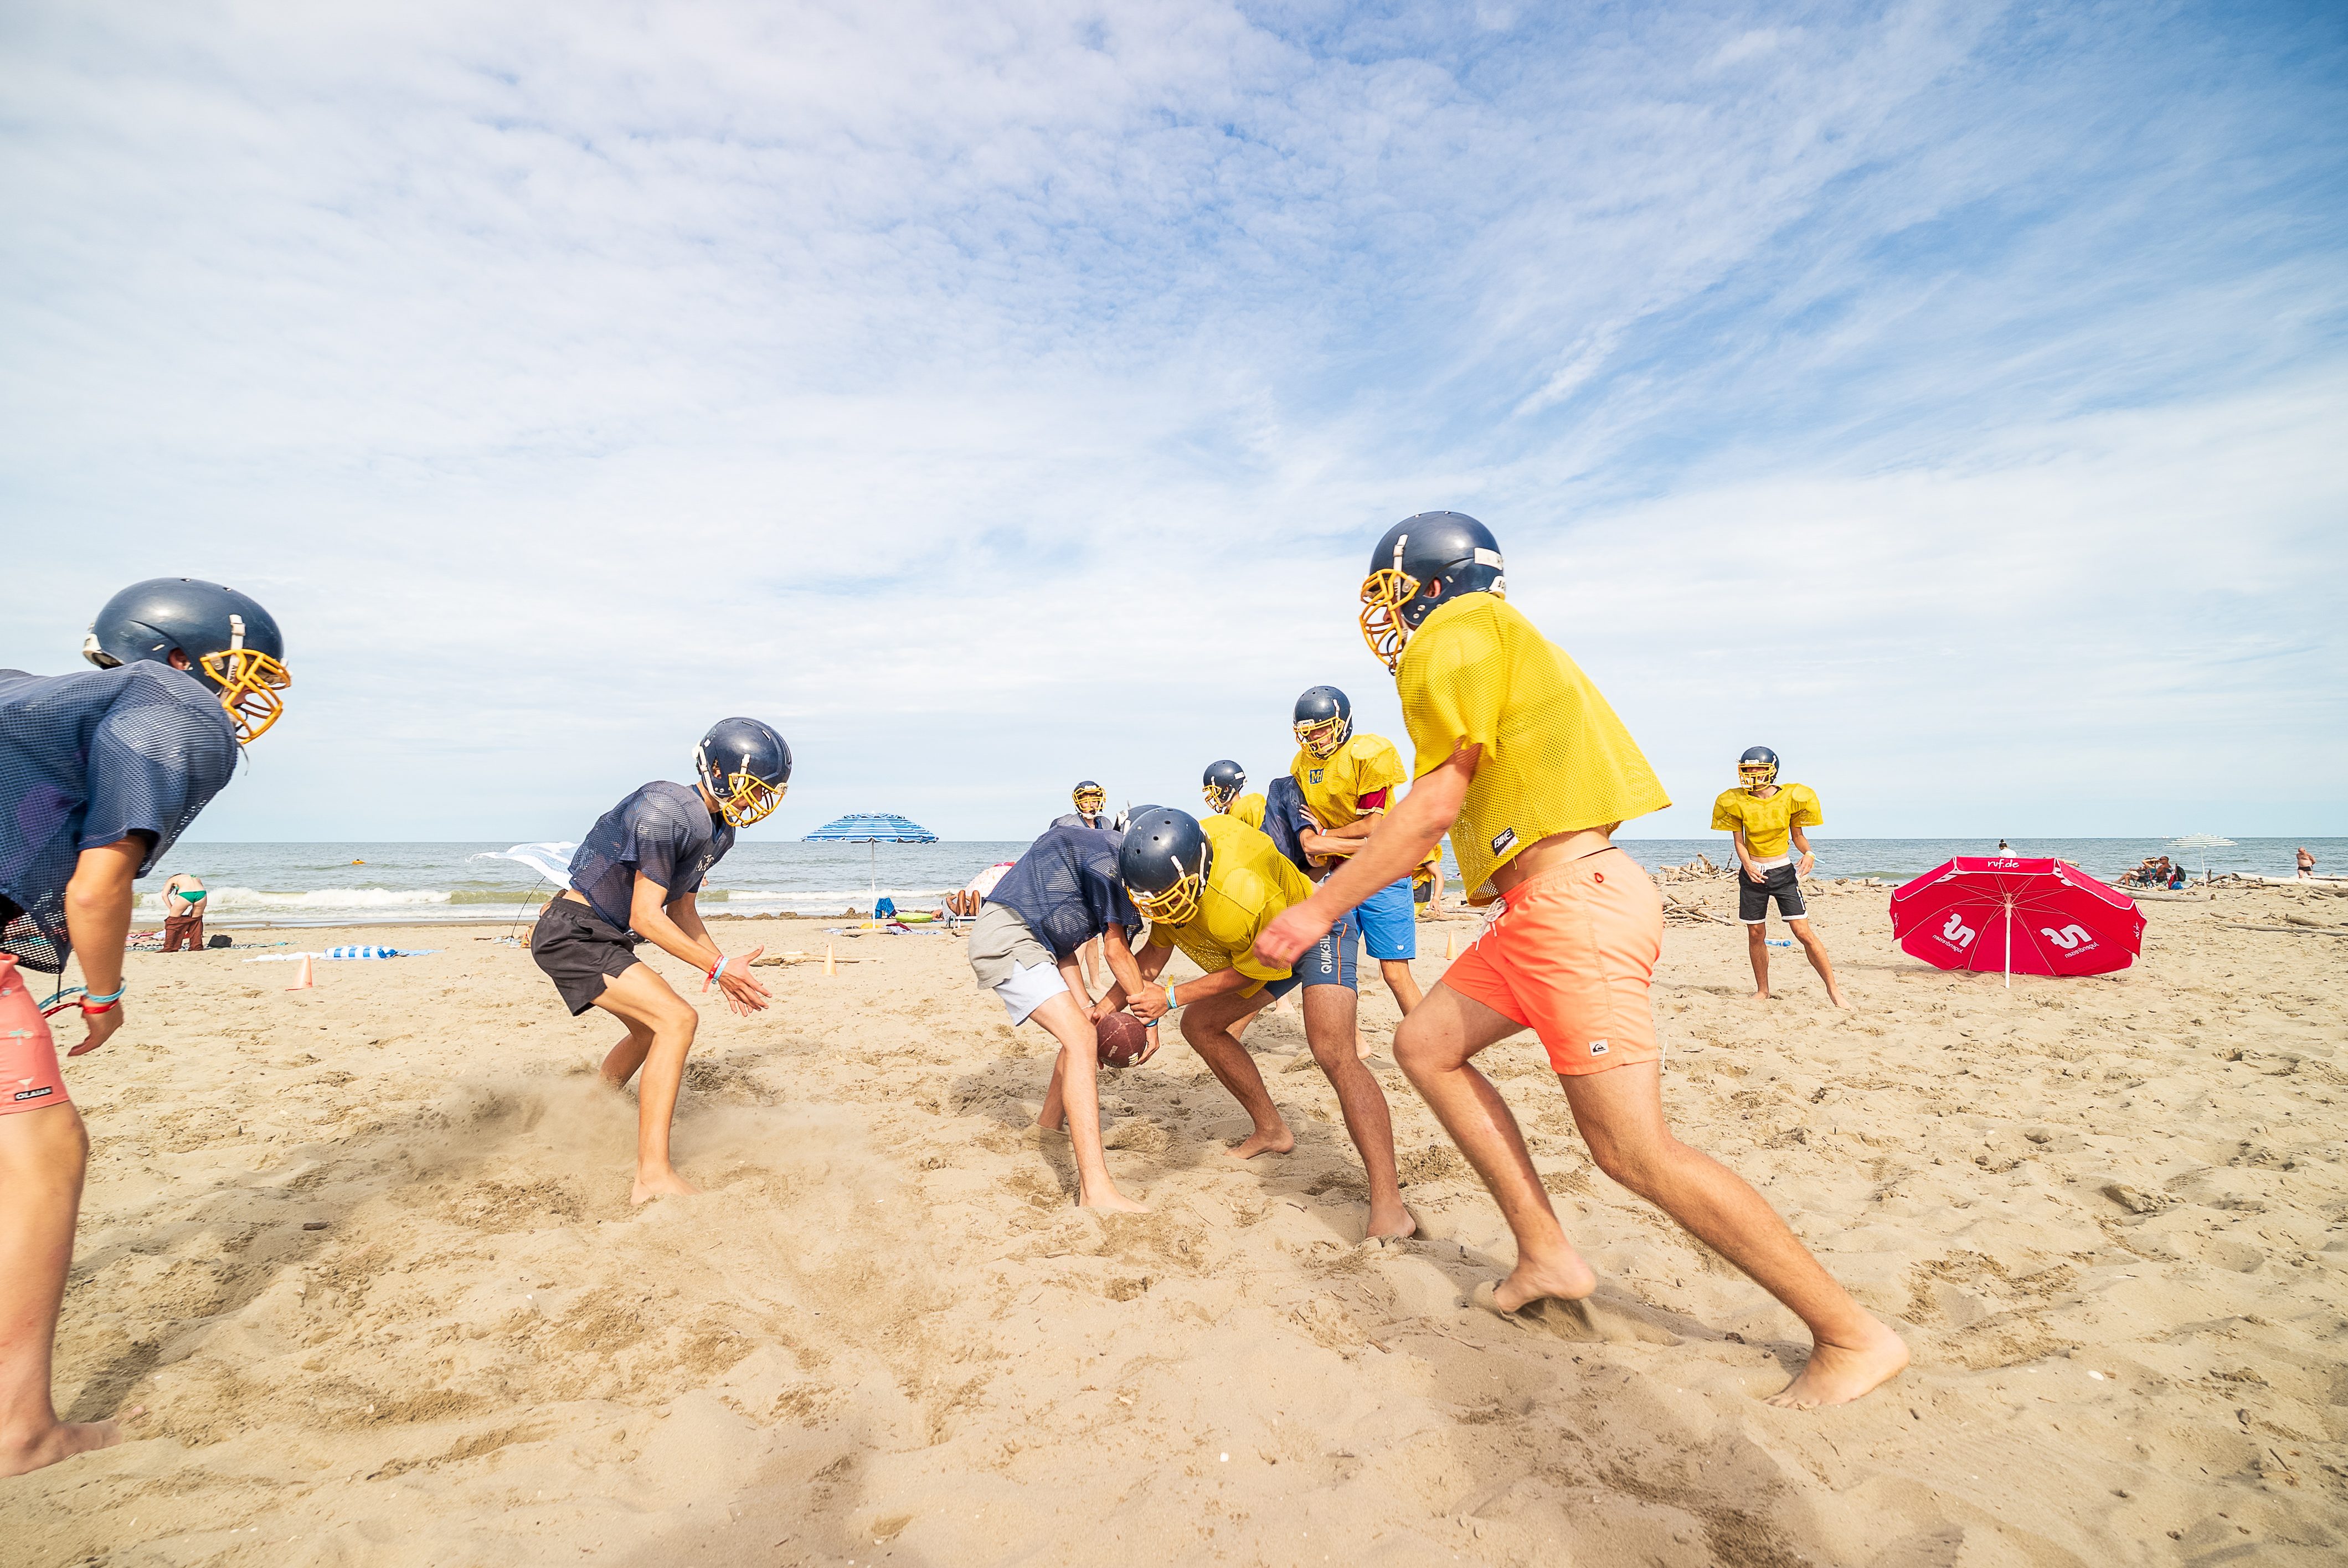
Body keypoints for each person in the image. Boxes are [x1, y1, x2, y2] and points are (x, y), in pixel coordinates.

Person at [1257, 510, 1906, 1409]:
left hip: (1578, 910)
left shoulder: (1456, 631)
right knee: (1425, 1045)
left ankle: (1851, 1333)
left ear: (1430, 583)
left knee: (1635, 1152)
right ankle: (1545, 1252)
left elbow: (1435, 805)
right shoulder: (1512, 639)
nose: (1391, 617)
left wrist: (1317, 907)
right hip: (1543, 909)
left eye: (1393, 594)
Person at [1, 576, 289, 1476]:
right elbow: (98, 884)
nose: (242, 700)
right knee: (43, 1153)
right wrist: (103, 992)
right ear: (180, 654)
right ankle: (22, 1431)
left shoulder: (29, 693)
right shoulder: (171, 698)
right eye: (238, 674)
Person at [1120, 807, 1413, 1240]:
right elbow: (1155, 952)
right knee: (1200, 1027)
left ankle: (1391, 1203)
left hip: (1317, 929)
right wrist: (1113, 1006)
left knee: (1333, 1051)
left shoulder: (1238, 893)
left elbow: (1261, 968)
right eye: (1155, 903)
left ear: (1199, 870)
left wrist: (1170, 997)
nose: (1165, 911)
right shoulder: (1170, 873)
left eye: (1173, 900)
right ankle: (1272, 1130)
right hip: (1263, 944)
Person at [531, 718, 788, 1204]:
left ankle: (589, 1108)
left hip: (602, 936)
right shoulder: (666, 807)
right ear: (717, 770)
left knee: (651, 1029)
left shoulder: (720, 830)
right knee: (677, 1020)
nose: (758, 800)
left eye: (768, 790)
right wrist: (715, 969)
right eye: (751, 786)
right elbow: (646, 918)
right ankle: (652, 1176)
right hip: (572, 932)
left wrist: (723, 962)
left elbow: (681, 909)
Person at [966, 823, 1152, 1212]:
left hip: (1031, 937)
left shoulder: (1088, 860)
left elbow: (1062, 945)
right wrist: (1149, 1018)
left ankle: (1047, 1128)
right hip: (1007, 936)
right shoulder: (1110, 863)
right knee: (1081, 1040)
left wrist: (1088, 1006)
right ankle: (1095, 1192)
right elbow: (1117, 954)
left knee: (1080, 1030)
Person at [1288, 685, 1430, 1043]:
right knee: (1335, 967)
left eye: (1321, 728)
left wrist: (1326, 835)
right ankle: (1355, 1043)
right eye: (1307, 731)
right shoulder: (1302, 765)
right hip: (1340, 874)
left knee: (1395, 972)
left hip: (1383, 874)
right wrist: (1317, 843)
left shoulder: (1367, 753)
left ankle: (1433, 1039)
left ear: (1342, 722)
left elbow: (1373, 826)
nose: (1314, 738)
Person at [1712, 747, 1849, 1008]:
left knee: (1802, 932)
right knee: (1755, 933)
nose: (1751, 775)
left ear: (1771, 771)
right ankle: (1763, 991)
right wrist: (1747, 865)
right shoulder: (1734, 800)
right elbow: (1739, 841)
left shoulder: (1792, 797)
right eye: (1747, 769)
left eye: (1756, 769)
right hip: (1753, 874)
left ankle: (1834, 991)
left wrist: (1809, 853)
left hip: (1783, 872)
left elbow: (1797, 835)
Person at [1050, 781, 1124, 990]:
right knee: (1081, 936)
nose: (1091, 803)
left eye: (1094, 798)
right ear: (1078, 802)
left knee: (1093, 938)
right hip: (1074, 885)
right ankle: (1071, 985)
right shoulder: (1067, 822)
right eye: (1085, 799)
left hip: (1098, 884)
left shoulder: (1106, 823)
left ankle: (1095, 981)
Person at [1201, 759, 1265, 831]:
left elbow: (1267, 837)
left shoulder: (1251, 806)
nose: (1213, 797)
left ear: (1226, 789)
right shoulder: (1229, 814)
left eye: (1215, 791)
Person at [944, 861, 1013, 919]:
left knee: (975, 892)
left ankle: (977, 912)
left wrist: (961, 897)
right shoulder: (955, 907)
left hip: (971, 911)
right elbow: (948, 899)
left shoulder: (968, 905)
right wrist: (956, 896)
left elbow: (976, 899)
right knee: (962, 892)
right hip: (961, 912)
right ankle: (963, 913)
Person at [159, 870, 208, 952]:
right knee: (196, 921)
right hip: (201, 893)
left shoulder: (172, 879)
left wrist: (171, 909)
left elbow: (164, 895)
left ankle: (170, 947)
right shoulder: (194, 877)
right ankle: (196, 946)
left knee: (172, 921)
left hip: (186, 894)